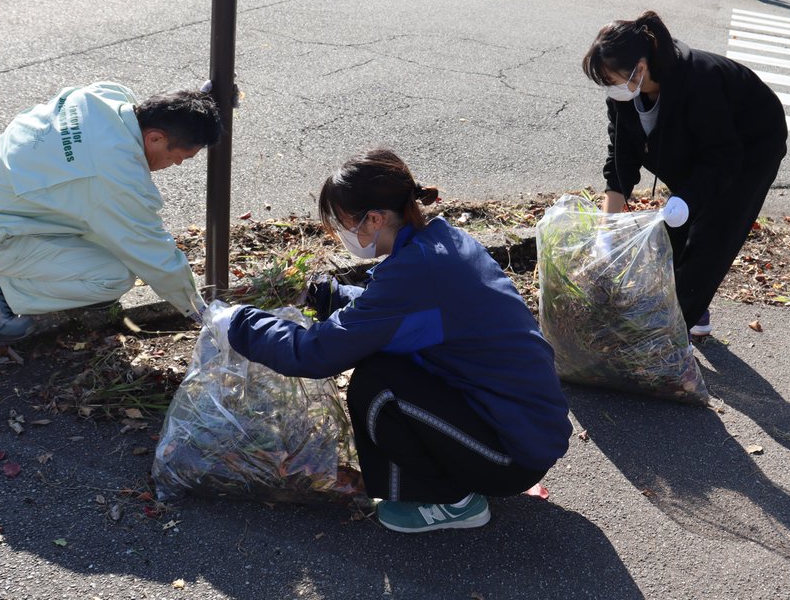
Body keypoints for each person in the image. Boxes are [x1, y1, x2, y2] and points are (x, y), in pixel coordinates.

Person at [226, 149, 572, 534]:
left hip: (513, 454)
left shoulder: (417, 272)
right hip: (524, 427)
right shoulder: (441, 243)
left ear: (375, 219)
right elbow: (393, 315)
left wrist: (238, 323)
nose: (340, 234)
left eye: (341, 223)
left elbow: (316, 354)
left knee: (378, 386)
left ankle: (454, 503)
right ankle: (443, 480)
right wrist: (328, 295)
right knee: (384, 369)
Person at [0, 82, 223, 342]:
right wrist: (201, 312)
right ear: (155, 138)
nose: (176, 164)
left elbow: (169, 113)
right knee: (113, 277)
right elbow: (153, 252)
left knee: (109, 233)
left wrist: (200, 103)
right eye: (181, 156)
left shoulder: (107, 96)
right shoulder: (113, 178)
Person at [581, 10, 788, 337]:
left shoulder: (697, 83)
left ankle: (667, 337)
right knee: (673, 233)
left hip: (750, 146)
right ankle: (691, 310)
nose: (610, 88)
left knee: (711, 235)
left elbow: (723, 156)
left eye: (612, 79)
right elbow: (619, 158)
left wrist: (688, 198)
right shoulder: (624, 95)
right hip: (700, 148)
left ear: (641, 67)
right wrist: (605, 232)